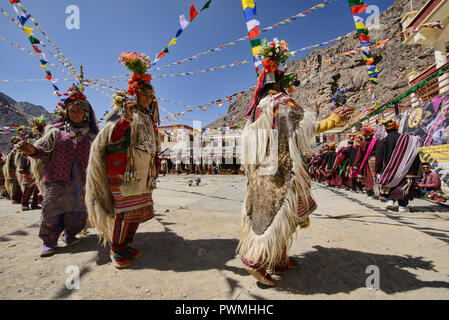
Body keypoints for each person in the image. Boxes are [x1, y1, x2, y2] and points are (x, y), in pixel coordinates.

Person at [237, 39, 353, 286]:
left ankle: (279, 258)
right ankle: (255, 260)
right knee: (282, 216)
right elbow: (303, 128)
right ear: (278, 82)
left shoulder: (257, 109)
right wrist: (334, 119)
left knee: (275, 216)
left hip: (261, 174)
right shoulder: (281, 101)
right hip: (282, 172)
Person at [86, 52, 160, 269]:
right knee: (125, 210)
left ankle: (127, 244)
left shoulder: (148, 116)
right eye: (144, 94)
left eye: (150, 96)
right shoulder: (122, 111)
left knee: (137, 210)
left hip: (143, 172)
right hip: (124, 171)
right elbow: (112, 137)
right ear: (135, 94)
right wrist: (126, 119)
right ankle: (116, 250)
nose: (148, 98)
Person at [17, 86, 98, 256]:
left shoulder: (92, 135)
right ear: (67, 112)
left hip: (82, 180)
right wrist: (31, 150)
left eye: (79, 111)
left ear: (86, 113)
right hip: (56, 177)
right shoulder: (55, 131)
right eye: (72, 110)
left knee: (78, 210)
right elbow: (42, 151)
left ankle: (70, 235)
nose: (76, 114)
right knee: (51, 210)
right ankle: (49, 242)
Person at [375, 119, 421, 213]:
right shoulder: (408, 140)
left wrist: (378, 170)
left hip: (389, 168)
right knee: (402, 185)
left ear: (386, 130)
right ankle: (402, 206)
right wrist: (413, 170)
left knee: (390, 183)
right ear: (397, 128)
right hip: (405, 168)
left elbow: (378, 157)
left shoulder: (383, 141)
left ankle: (390, 200)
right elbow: (414, 154)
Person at [351, 127, 377, 197]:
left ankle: (370, 192)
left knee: (369, 176)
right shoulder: (377, 141)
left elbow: (359, 155)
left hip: (368, 160)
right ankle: (380, 191)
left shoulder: (364, 143)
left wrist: (356, 165)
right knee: (377, 175)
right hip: (378, 159)